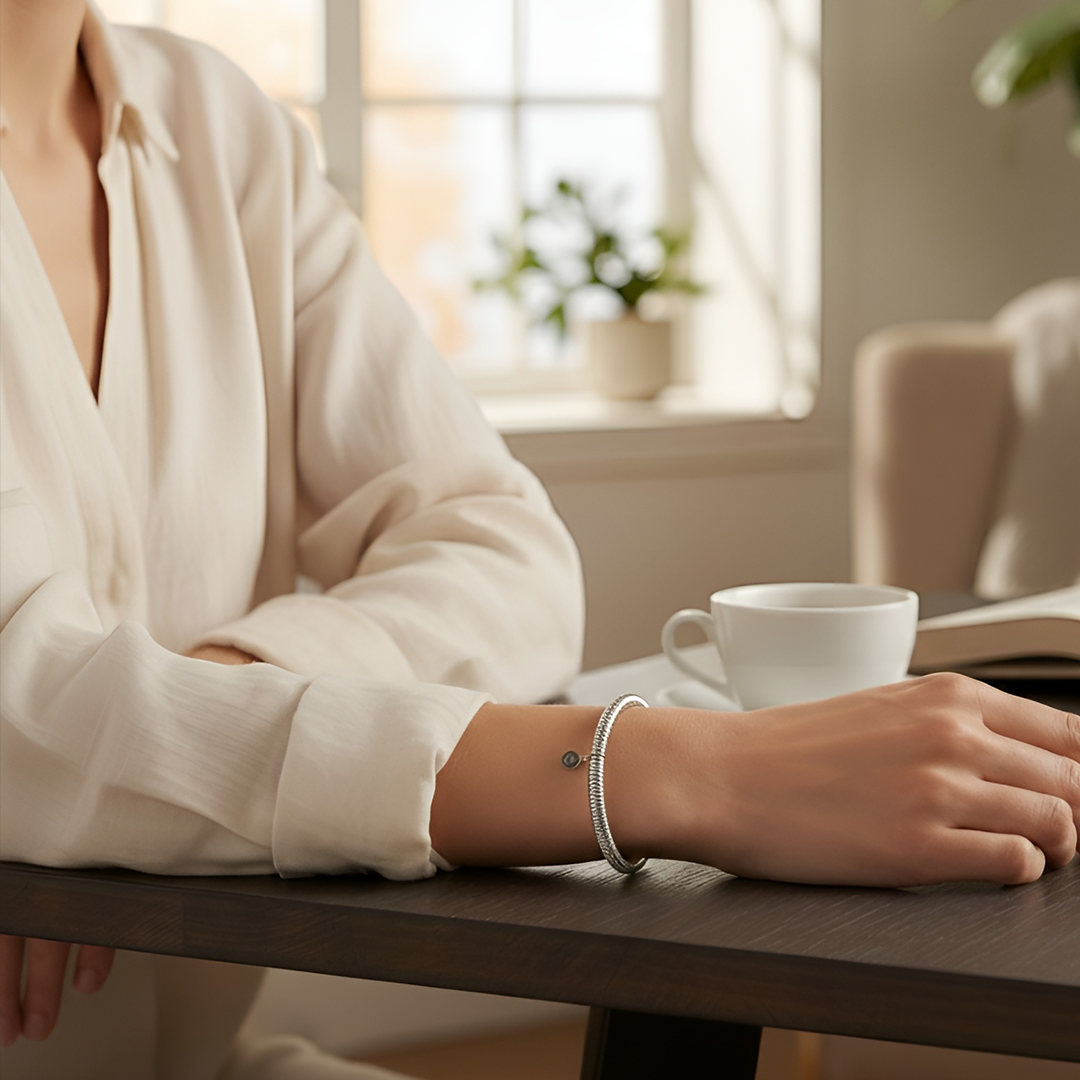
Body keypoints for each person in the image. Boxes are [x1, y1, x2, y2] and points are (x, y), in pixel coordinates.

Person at [1, 2, 1076, 1077]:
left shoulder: (226, 128)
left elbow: (507, 555)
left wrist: (197, 710)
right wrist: (679, 773)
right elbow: (21, 726)